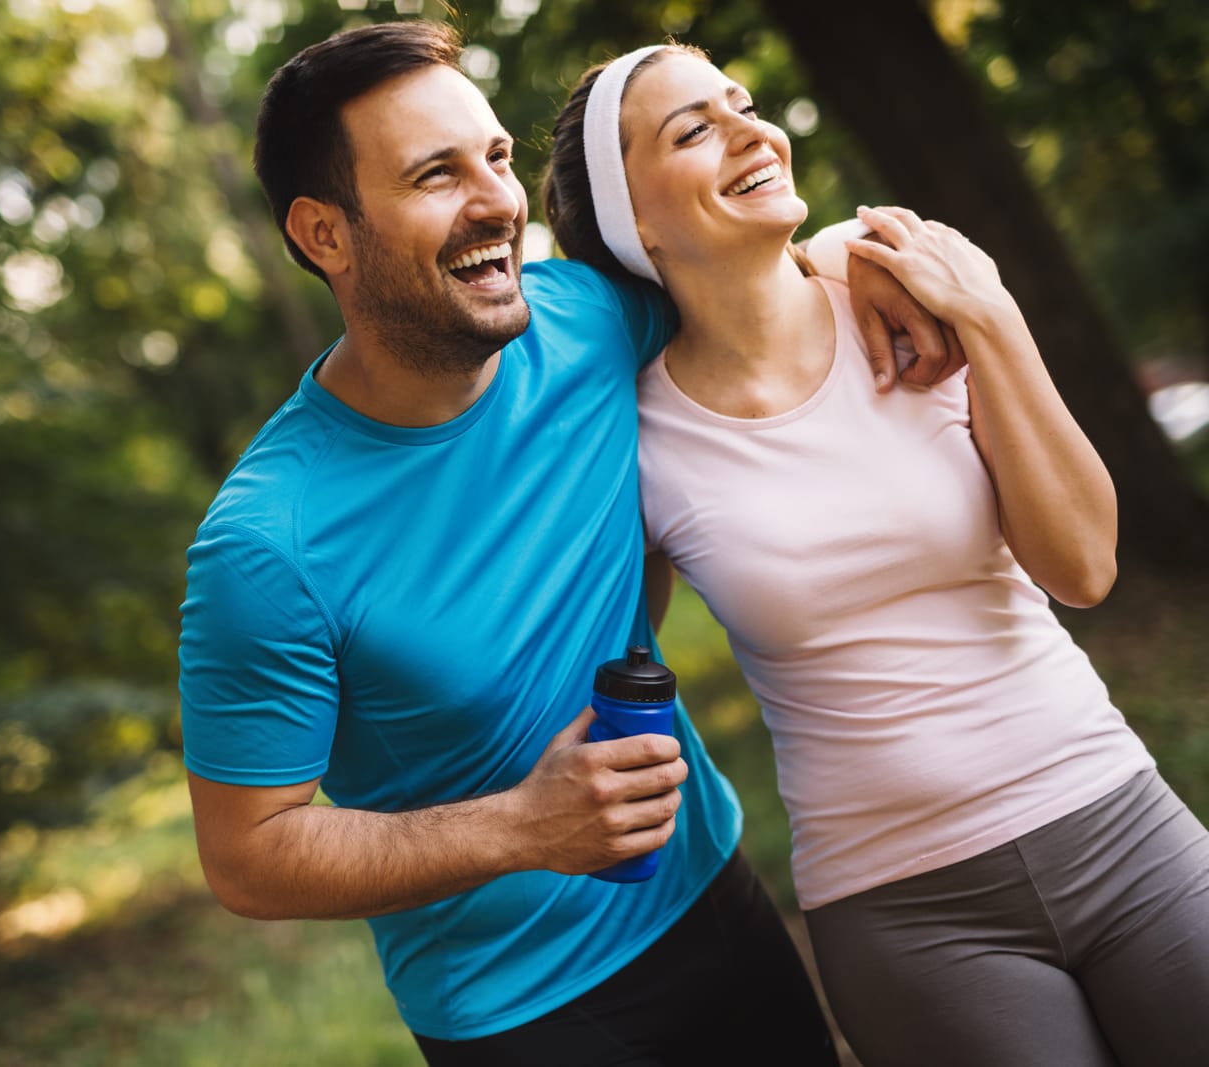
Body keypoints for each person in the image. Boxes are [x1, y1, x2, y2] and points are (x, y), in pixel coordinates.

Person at [178, 21, 954, 1064]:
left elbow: (735, 270)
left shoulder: (587, 320)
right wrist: (520, 827)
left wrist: (863, 274)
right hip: (518, 1010)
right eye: (434, 174)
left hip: (711, 892)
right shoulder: (267, 544)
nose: (496, 198)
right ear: (325, 234)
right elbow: (251, 856)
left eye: (495, 156)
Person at [544, 40, 1209, 1067]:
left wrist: (984, 312)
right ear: (631, 223)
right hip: (906, 913)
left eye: (742, 103)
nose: (749, 131)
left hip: (1117, 823)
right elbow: (592, 647)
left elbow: (1081, 565)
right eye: (692, 129)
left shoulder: (913, 291)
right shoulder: (636, 439)